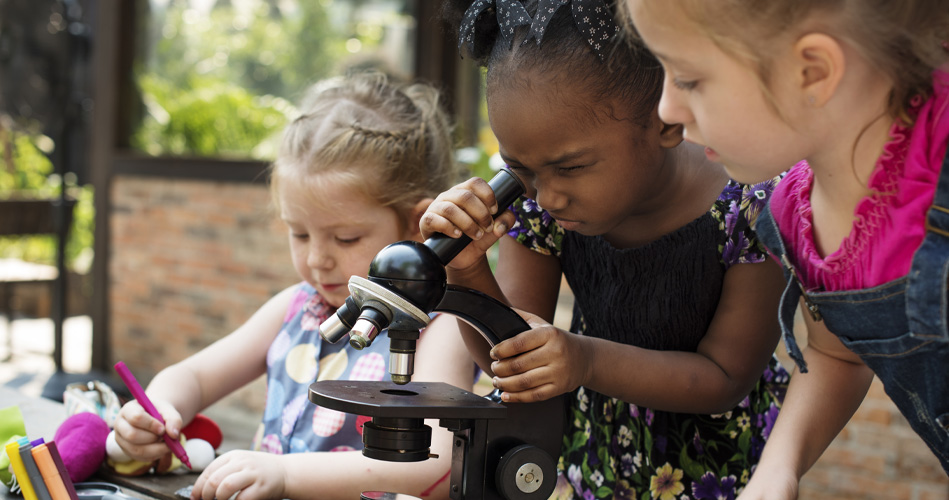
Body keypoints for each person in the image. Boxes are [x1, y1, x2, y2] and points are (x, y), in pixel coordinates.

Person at [423, 1, 790, 498]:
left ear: (666, 118)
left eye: (571, 168)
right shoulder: (538, 200)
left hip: (723, 472)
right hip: (587, 461)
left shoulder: (753, 205)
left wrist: (584, 360)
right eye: (520, 168)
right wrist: (468, 274)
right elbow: (508, 359)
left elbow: (726, 376)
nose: (547, 196)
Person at [624, 0, 949, 496]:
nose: (666, 108)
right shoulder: (792, 216)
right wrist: (779, 466)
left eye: (688, 78)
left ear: (812, 71)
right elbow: (839, 354)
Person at [112, 71, 474, 500]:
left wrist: (284, 474)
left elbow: (436, 460)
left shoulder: (440, 327)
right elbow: (194, 375)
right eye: (299, 234)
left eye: (345, 238)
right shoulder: (298, 307)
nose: (318, 259)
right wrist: (157, 412)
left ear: (416, 225)